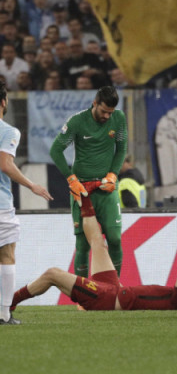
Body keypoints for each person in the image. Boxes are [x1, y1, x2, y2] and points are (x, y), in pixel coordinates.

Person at [10, 194, 177, 313]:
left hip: (107, 298)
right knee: (98, 243)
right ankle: (84, 196)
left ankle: (9, 302)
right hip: (114, 289)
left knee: (52, 274)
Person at [49, 86, 127, 284]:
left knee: (115, 239)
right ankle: (82, 295)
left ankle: (114, 289)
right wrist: (71, 179)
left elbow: (121, 149)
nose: (107, 116)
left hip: (107, 188)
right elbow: (55, 150)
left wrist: (113, 174)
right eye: (104, 111)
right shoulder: (77, 122)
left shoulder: (119, 118)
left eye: (110, 112)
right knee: (83, 245)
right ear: (95, 103)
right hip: (82, 190)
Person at [0, 82, 53, 325]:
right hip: (1, 205)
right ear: (4, 102)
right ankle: (3, 314)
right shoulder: (8, 131)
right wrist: (32, 185)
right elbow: (5, 163)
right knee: (6, 254)